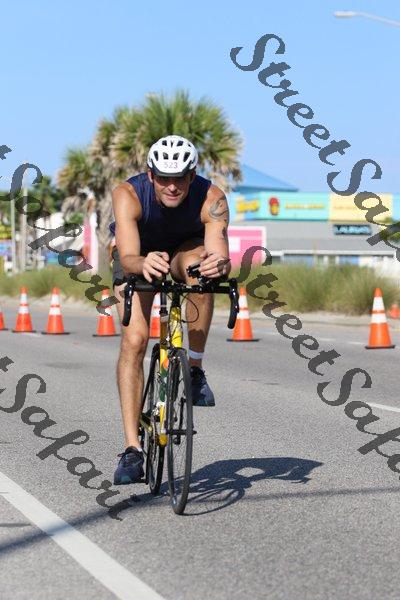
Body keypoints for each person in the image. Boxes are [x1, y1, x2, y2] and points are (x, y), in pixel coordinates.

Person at [110, 134, 231, 485]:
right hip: (138, 254)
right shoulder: (128, 194)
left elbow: (218, 251)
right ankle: (132, 449)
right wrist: (143, 262)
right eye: (164, 178)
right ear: (151, 175)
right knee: (135, 340)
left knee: (201, 271)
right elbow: (128, 256)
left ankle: (194, 368)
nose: (172, 186)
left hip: (183, 250)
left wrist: (219, 265)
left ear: (192, 176)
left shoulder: (212, 198)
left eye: (180, 178)